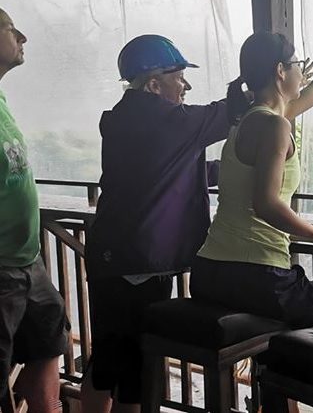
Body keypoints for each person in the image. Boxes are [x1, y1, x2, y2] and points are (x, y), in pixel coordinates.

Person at [81, 34, 241, 413]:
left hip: (111, 260)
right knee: (135, 376)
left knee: (106, 363)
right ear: (154, 85)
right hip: (137, 267)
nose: (185, 86)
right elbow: (237, 109)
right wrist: (263, 78)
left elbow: (169, 170)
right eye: (179, 76)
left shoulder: (124, 119)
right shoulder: (170, 120)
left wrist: (234, 170)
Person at [190, 16, 313, 326]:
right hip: (256, 275)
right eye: (297, 65)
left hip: (210, 271)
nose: (302, 73)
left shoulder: (247, 120)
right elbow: (266, 203)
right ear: (280, 70)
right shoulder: (274, 125)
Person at [0, 7, 69, 413]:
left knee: (50, 337)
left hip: (28, 259)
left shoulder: (1, 99)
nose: (22, 37)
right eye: (11, 29)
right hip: (1, 268)